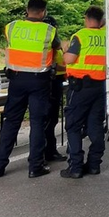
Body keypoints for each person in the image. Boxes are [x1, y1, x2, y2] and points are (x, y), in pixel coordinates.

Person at [0, 0, 61, 178]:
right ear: (44, 12)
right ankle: (35, 166)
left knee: (11, 122)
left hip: (16, 80)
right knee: (38, 123)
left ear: (27, 10)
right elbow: (58, 48)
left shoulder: (12, 27)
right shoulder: (49, 30)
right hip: (39, 81)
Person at [60, 6, 107, 179]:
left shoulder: (80, 36)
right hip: (101, 87)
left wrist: (65, 50)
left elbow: (69, 59)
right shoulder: (106, 36)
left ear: (86, 18)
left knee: (73, 126)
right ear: (101, 20)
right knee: (95, 125)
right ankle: (94, 165)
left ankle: (76, 167)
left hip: (80, 87)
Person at [43, 15, 68, 163]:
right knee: (48, 120)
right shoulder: (49, 44)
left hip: (55, 81)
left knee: (50, 120)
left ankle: (49, 151)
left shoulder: (54, 44)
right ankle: (47, 151)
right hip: (51, 82)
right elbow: (52, 64)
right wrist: (68, 68)